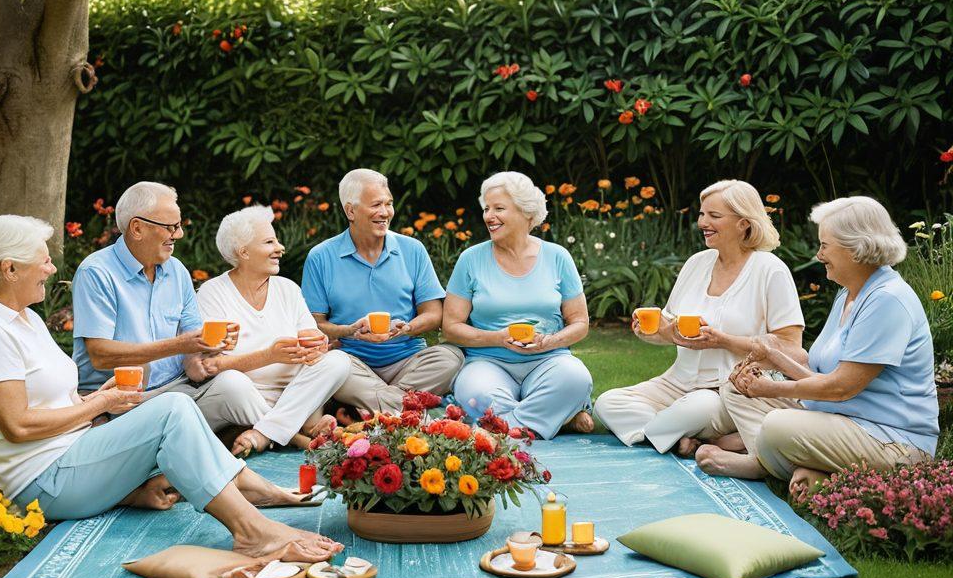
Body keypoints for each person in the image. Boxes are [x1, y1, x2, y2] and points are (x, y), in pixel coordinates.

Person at [0, 216, 341, 562]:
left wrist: (94, 399)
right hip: (42, 482)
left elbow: (50, 401)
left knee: (179, 413)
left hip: (72, 455)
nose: (51, 268)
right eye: (42, 261)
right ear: (8, 269)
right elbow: (18, 427)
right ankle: (251, 532)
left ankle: (247, 487)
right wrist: (100, 404)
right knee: (173, 409)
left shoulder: (24, 320)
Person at [699, 196, 937, 500]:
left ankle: (763, 463)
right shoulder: (849, 294)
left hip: (890, 439)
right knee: (734, 390)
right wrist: (774, 357)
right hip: (838, 418)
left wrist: (768, 389)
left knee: (776, 425)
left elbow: (840, 388)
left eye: (825, 245)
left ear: (856, 247)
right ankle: (799, 464)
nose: (819, 254)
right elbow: (821, 375)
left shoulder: (886, 299)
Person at [594, 179, 804, 455]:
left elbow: (792, 350)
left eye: (714, 216)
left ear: (744, 222)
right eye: (702, 214)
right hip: (677, 382)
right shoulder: (697, 263)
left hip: (731, 390)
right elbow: (672, 329)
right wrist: (656, 330)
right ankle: (684, 440)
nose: (703, 222)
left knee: (697, 408)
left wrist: (723, 341)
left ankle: (671, 434)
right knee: (608, 403)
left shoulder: (770, 270)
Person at [71, 181, 270, 454]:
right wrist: (181, 345)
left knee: (235, 385)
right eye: (171, 226)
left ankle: (268, 435)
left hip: (179, 387)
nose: (180, 234)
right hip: (122, 400)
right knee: (176, 418)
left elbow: (192, 349)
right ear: (137, 228)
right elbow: (100, 355)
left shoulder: (176, 270)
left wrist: (211, 345)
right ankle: (278, 438)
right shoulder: (96, 272)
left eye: (179, 224)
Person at [442, 171, 593, 439]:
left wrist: (550, 341)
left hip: (549, 360)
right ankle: (553, 417)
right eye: (487, 208)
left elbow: (580, 323)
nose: (489, 216)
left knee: (576, 379)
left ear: (526, 213)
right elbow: (451, 328)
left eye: (499, 208)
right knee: (475, 393)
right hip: (488, 361)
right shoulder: (470, 259)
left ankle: (505, 426)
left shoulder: (558, 257)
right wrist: (498, 339)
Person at [302, 168, 463, 416]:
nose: (385, 212)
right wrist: (350, 331)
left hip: (408, 362)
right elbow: (314, 324)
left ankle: (370, 408)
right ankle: (407, 410)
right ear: (350, 211)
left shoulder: (413, 249)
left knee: (451, 357)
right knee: (328, 368)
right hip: (352, 364)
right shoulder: (321, 257)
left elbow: (434, 313)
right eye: (376, 204)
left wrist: (407, 328)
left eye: (388, 204)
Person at [196, 206, 351, 455]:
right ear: (243, 252)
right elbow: (209, 367)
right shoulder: (212, 293)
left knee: (338, 361)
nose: (280, 248)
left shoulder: (287, 288)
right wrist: (269, 356)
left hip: (296, 394)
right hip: (248, 398)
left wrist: (317, 347)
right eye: (269, 242)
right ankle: (299, 435)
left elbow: (311, 342)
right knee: (231, 383)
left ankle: (264, 433)